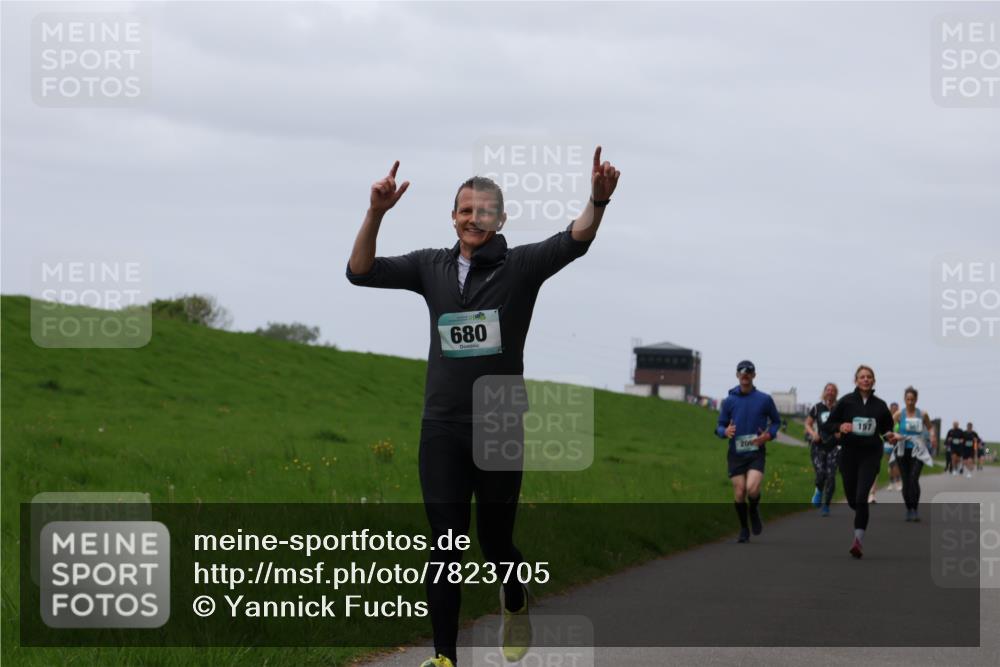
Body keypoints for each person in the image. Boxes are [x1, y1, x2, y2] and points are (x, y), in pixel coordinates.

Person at [346, 149, 620, 667]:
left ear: (501, 219)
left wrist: (598, 201)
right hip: (442, 425)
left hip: (499, 422)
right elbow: (359, 272)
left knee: (495, 544)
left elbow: (575, 238)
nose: (475, 219)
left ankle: (514, 596)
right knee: (445, 545)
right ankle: (445, 657)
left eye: (485, 211)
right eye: (466, 211)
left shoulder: (521, 268)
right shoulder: (430, 267)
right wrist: (376, 213)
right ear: (453, 217)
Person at [821, 365, 903, 559]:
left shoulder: (880, 406)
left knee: (861, 496)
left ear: (873, 381)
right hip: (849, 454)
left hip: (870, 455)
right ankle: (861, 512)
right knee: (852, 499)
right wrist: (840, 425)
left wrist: (891, 436)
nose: (865, 380)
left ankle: (857, 541)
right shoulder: (846, 402)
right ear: (856, 381)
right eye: (862, 377)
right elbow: (827, 426)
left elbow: (886, 430)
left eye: (869, 377)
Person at [715, 360, 781, 543]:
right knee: (739, 492)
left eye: (748, 371)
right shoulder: (729, 401)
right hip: (736, 453)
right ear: (737, 375)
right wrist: (724, 431)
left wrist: (768, 435)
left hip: (756, 451)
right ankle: (744, 528)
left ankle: (753, 510)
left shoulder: (764, 399)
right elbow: (719, 425)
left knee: (752, 489)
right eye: (741, 371)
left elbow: (776, 421)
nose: (745, 374)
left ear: (754, 375)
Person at [891, 387, 936, 521]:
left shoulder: (922, 414)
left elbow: (930, 427)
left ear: (916, 399)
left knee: (913, 479)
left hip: (919, 449)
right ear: (904, 400)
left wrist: (932, 436)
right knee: (906, 481)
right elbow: (890, 429)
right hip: (902, 450)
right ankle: (908, 509)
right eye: (908, 399)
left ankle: (915, 509)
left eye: (912, 399)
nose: (910, 402)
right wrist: (894, 435)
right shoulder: (899, 414)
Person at [805, 383, 841, 517]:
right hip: (819, 445)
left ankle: (826, 505)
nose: (830, 392)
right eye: (828, 390)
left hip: (834, 446)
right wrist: (813, 433)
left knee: (831, 476)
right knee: (821, 474)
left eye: (833, 390)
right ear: (824, 392)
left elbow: (846, 424)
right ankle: (819, 490)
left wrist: (841, 432)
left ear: (836, 393)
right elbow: (807, 423)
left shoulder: (840, 408)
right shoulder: (817, 407)